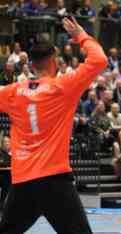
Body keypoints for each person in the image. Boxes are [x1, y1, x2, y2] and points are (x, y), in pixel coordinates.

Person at [0, 17, 108, 233]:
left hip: (23, 183)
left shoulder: (11, 92)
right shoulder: (63, 86)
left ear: (30, 64)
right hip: (54, 181)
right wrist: (81, 35)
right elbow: (99, 60)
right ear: (55, 61)